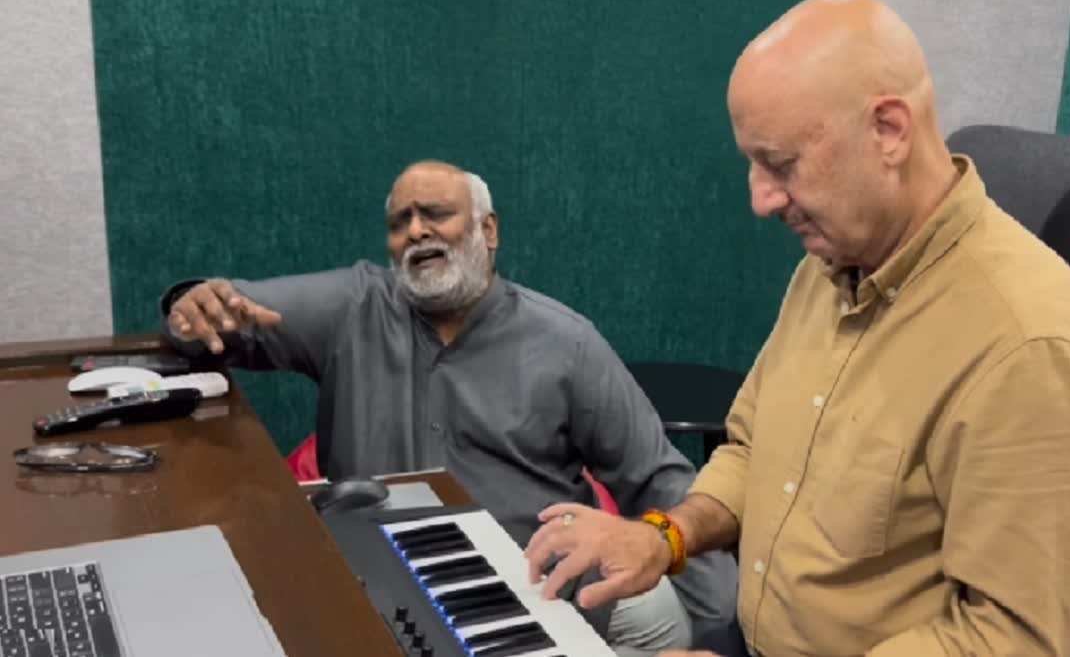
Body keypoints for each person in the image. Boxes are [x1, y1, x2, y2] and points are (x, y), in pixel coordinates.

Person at [523, 0, 1070, 657]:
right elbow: (752, 449)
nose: (759, 199)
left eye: (780, 164)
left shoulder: (1029, 342)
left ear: (889, 131)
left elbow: (1006, 640)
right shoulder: (834, 259)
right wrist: (664, 536)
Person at [159, 159, 738, 656]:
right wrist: (190, 307)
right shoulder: (351, 307)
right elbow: (225, 317)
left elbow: (659, 480)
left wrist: (717, 635)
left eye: (435, 213)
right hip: (373, 592)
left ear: (488, 230)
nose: (416, 231)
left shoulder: (567, 343)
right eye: (399, 222)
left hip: (530, 603)